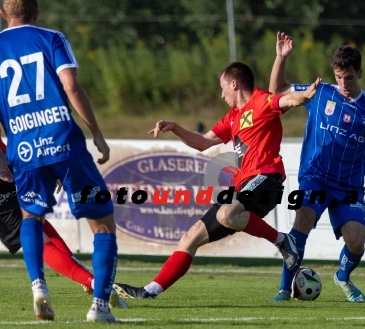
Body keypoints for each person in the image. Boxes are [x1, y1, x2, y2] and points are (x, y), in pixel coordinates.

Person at [113, 61, 320, 299]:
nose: (222, 95)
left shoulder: (262, 101)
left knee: (226, 214)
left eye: (223, 88)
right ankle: (149, 291)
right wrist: (175, 127)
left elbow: (286, 101)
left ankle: (283, 241)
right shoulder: (233, 117)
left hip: (267, 178)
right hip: (244, 187)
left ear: (234, 84)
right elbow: (202, 143)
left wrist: (302, 96)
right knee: (190, 237)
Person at [0, 0, 118, 323]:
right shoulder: (52, 38)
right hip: (65, 143)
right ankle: (100, 307)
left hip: (24, 150)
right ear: (36, 13)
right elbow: (71, 86)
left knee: (30, 217)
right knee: (103, 222)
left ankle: (39, 287)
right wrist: (96, 132)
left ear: (3, 14)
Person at [268, 32, 365, 302]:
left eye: (349, 77)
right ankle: (284, 288)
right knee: (302, 220)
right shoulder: (320, 93)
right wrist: (280, 58)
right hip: (316, 177)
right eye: (338, 77)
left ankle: (343, 277)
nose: (343, 83)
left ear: (359, 73)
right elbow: (278, 90)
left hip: (349, 185)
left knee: (356, 240)